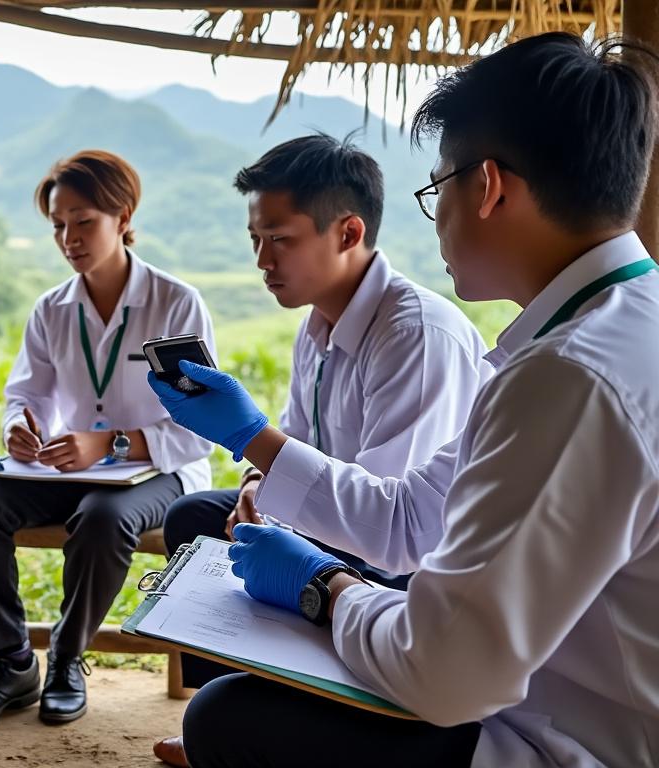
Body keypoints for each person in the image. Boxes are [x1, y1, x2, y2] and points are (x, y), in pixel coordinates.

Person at [150, 32, 659, 768]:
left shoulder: (566, 376)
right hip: (542, 683)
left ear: (487, 187)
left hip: (563, 740)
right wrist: (263, 460)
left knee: (231, 720)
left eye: (436, 189)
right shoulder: (604, 333)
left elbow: (445, 672)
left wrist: (324, 587)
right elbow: (415, 515)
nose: (436, 217)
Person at [152, 135, 488, 765]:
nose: (262, 259)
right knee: (197, 516)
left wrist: (252, 443)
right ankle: (244, 683)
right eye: (256, 239)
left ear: (347, 231)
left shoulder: (413, 333)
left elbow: (387, 521)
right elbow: (298, 437)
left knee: (246, 548)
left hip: (403, 556)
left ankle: (291, 700)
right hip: (349, 518)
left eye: (280, 239)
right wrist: (257, 486)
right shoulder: (319, 322)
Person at [0, 149, 216, 726]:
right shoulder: (52, 309)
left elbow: (197, 427)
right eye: (59, 226)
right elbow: (27, 394)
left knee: (102, 518)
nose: (69, 238)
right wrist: (21, 426)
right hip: (69, 467)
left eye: (84, 221)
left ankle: (67, 655)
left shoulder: (175, 303)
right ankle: (13, 659)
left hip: (160, 472)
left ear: (123, 215)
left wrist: (111, 443)